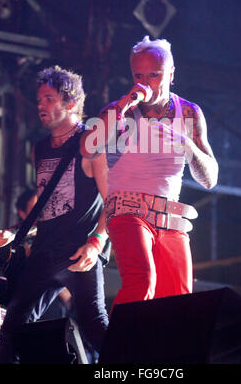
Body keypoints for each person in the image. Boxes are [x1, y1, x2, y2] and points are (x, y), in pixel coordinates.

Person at [80, 35, 218, 308]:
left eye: (154, 75)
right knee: (142, 280)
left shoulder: (189, 113)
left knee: (177, 299)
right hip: (127, 211)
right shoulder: (119, 112)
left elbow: (210, 179)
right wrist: (120, 108)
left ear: (171, 74)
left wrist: (187, 146)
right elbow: (87, 150)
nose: (145, 83)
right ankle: (117, 350)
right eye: (138, 75)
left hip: (168, 217)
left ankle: (159, 351)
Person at [0, 65, 109, 363]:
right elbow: (47, 207)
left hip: (79, 253)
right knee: (11, 330)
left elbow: (114, 201)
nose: (40, 105)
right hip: (44, 253)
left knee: (94, 326)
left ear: (70, 103)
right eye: (39, 99)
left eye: (48, 98)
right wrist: (12, 232)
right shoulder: (40, 149)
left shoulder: (90, 144)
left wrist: (96, 243)